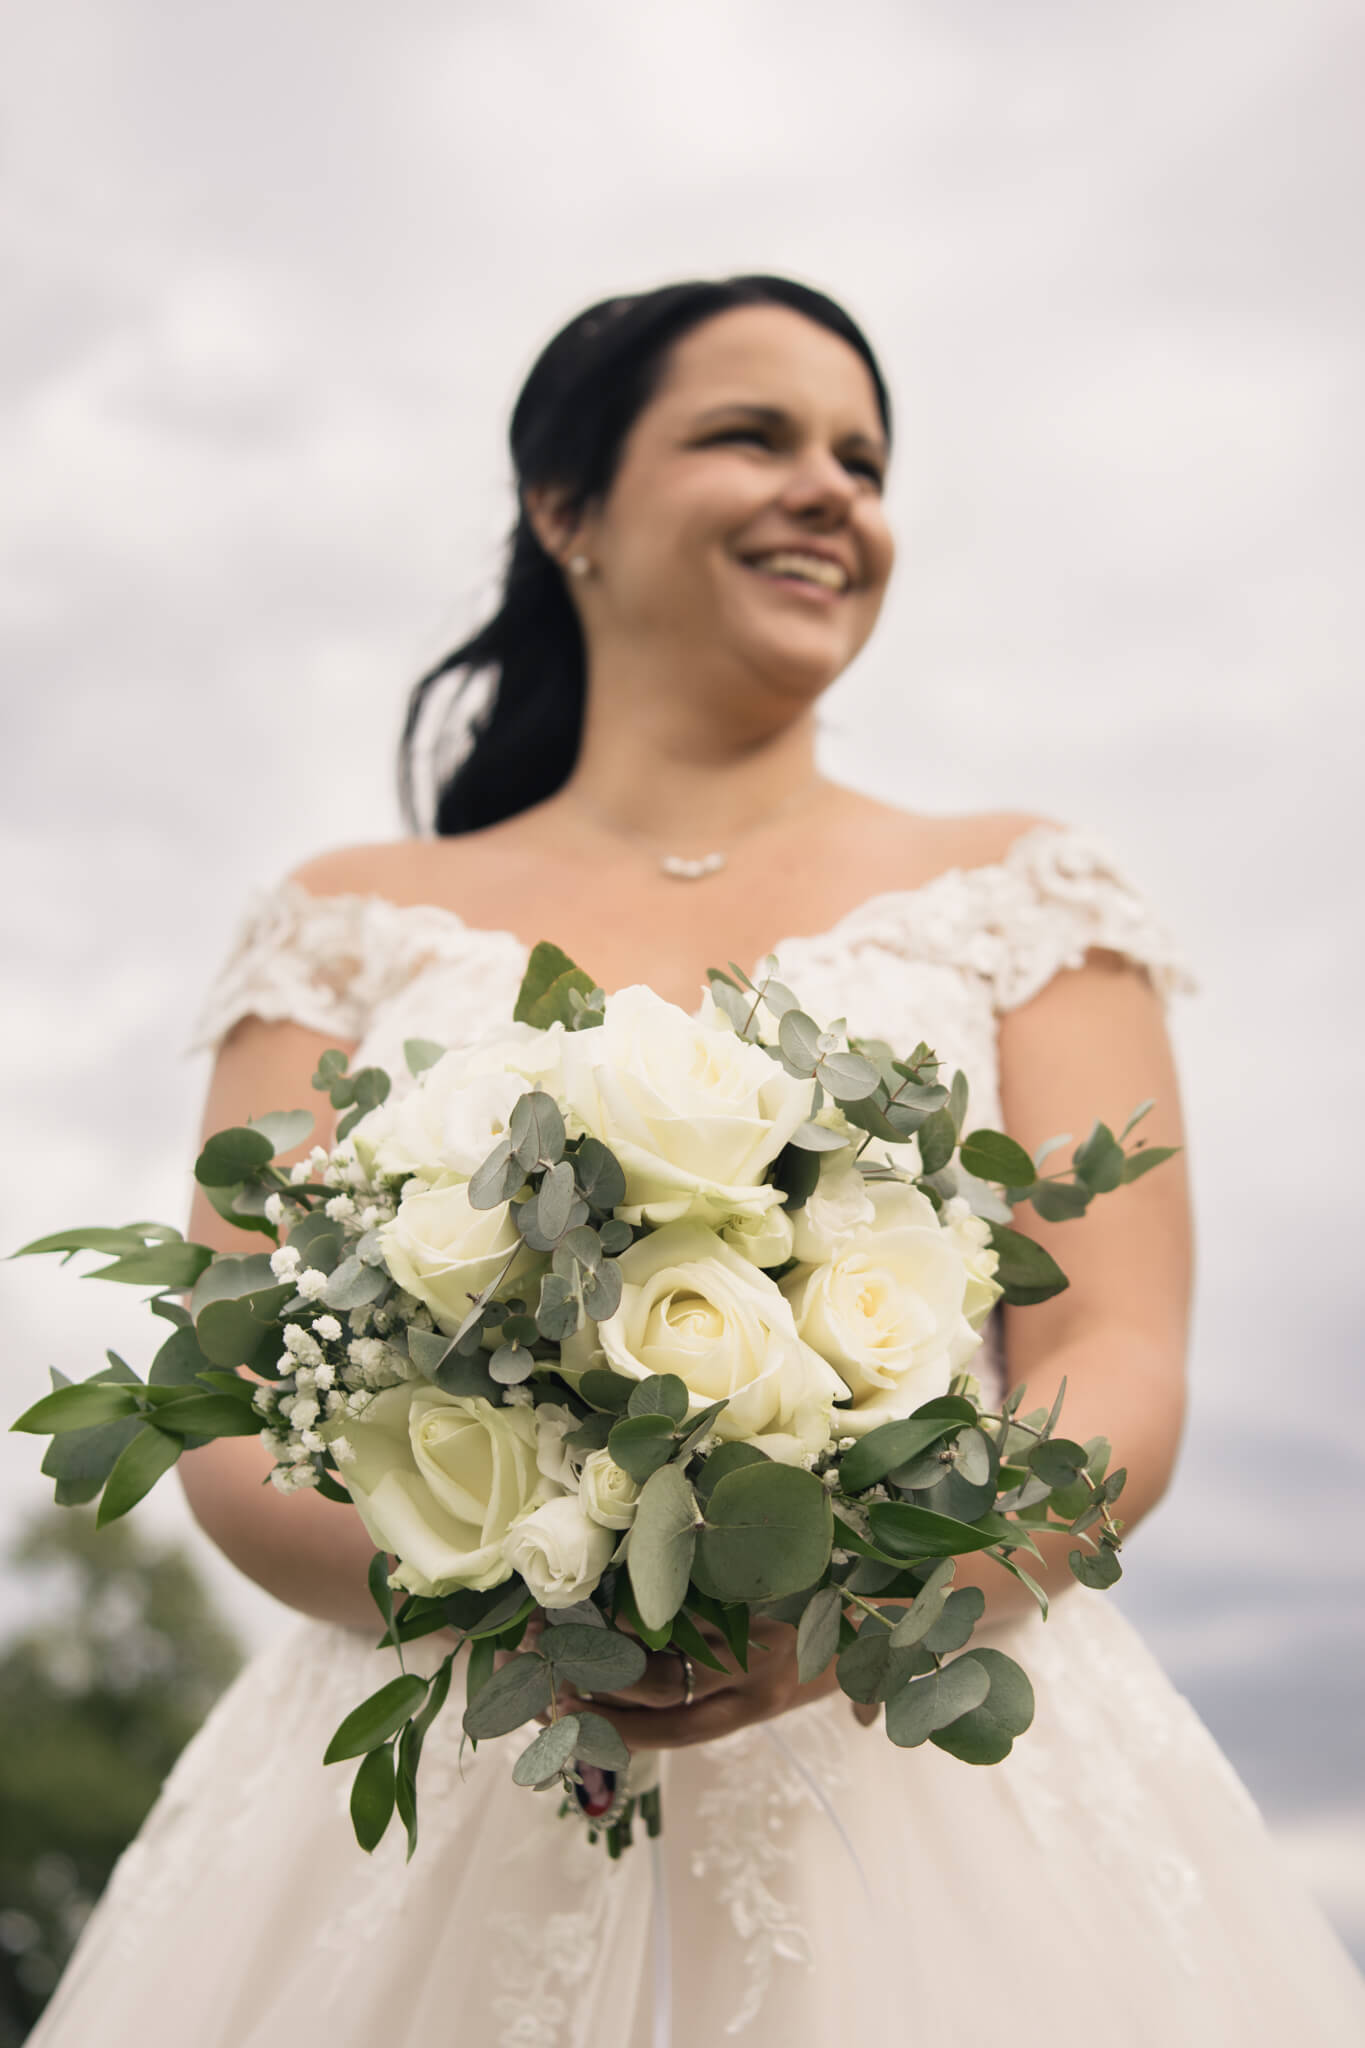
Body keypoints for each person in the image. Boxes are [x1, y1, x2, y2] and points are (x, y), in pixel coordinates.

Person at [27, 276, 1365, 2047]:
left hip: (926, 1759)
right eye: (753, 435)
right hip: (444, 1760)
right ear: (565, 509)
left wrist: (839, 1606)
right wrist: (555, 1595)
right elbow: (235, 1404)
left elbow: (1113, 1363)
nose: (832, 490)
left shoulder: (1028, 900)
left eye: (862, 459)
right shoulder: (342, 926)